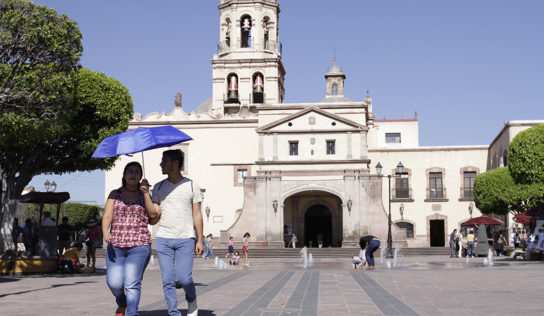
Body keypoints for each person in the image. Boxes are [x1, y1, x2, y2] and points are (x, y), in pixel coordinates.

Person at [152, 149, 203, 316]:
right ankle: (174, 313)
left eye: (164, 161)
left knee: (184, 279)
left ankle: (192, 299)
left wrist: (200, 240)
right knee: (167, 281)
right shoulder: (158, 187)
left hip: (185, 238)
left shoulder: (191, 185)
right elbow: (155, 215)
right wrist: (146, 194)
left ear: (175, 163)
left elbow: (197, 214)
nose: (160, 164)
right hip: (163, 239)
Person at [102, 161, 157, 316]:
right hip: (116, 245)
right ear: (124, 175)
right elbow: (107, 215)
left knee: (132, 283)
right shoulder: (114, 194)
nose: (133, 174)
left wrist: (146, 193)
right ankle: (122, 302)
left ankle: (131, 313)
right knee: (114, 283)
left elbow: (153, 215)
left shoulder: (144, 194)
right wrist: (105, 231)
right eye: (130, 171)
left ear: (140, 176)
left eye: (137, 172)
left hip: (139, 245)